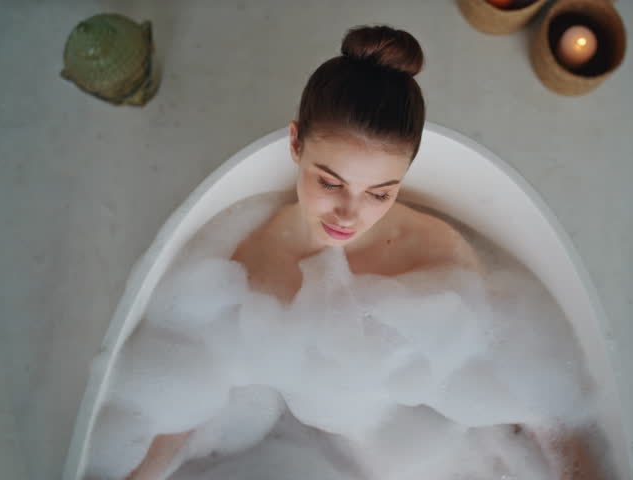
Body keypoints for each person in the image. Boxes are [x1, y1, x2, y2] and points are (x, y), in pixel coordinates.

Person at [125, 25, 604, 480]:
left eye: (380, 193)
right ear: (295, 143)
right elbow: (192, 392)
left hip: (416, 449)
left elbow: (532, 396)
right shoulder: (250, 265)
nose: (348, 214)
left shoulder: (434, 256)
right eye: (329, 182)